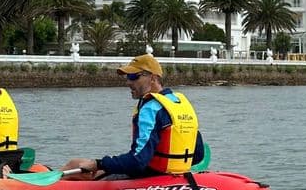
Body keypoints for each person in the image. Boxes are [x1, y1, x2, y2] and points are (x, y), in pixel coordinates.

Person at [62, 54, 204, 180]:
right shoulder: (181, 104)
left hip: (148, 176)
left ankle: (45, 189)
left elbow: (137, 161)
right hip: (175, 174)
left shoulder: (151, 108)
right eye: (127, 77)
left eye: (133, 76)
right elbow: (198, 155)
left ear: (153, 78)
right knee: (79, 165)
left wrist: (99, 164)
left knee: (73, 165)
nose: (128, 82)